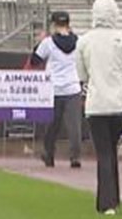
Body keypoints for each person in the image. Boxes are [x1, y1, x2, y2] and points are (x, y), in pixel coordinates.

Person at [75, 0, 122, 216]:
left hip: (97, 105)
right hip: (121, 106)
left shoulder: (84, 42)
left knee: (104, 152)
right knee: (110, 149)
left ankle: (106, 202)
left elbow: (82, 75)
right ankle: (112, 198)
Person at [34, 10, 84, 169]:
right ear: (68, 24)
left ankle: (49, 155)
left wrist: (39, 41)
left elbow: (35, 60)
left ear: (54, 25)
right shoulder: (79, 41)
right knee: (75, 127)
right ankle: (75, 157)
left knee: (52, 127)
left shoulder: (48, 42)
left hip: (54, 89)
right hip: (73, 88)